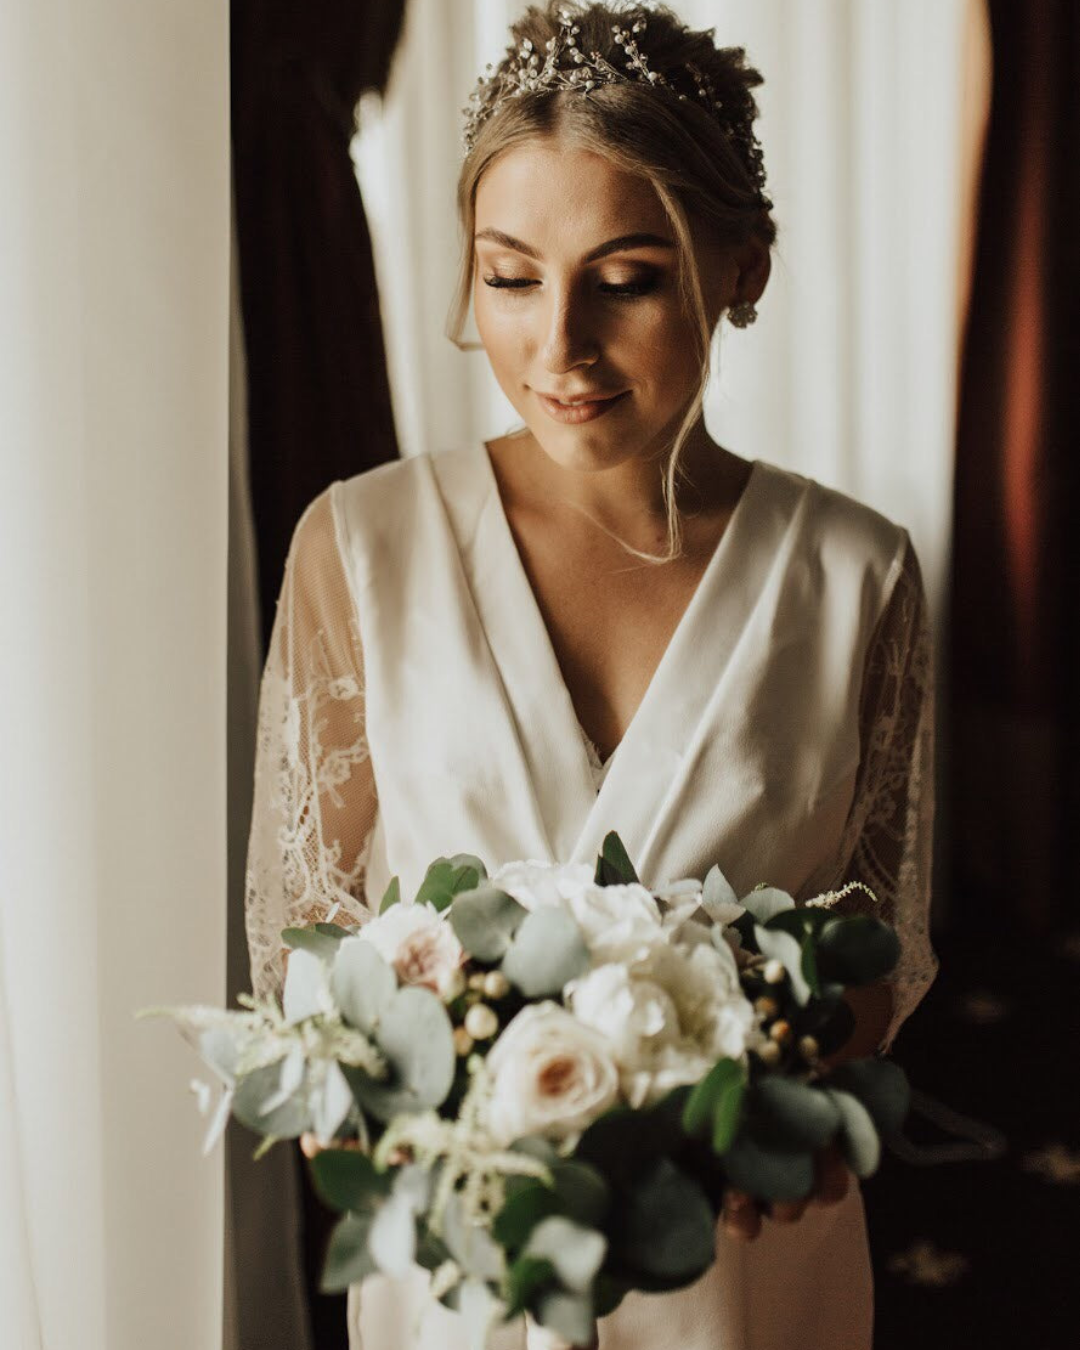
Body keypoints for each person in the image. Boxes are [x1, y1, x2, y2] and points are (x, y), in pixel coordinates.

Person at [243, 3, 938, 1347]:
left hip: (741, 1257)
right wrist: (421, 1130)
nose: (557, 346)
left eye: (624, 279)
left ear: (744, 267)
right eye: (510, 277)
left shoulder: (858, 575)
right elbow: (303, 951)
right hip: (466, 1267)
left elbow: (874, 950)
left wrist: (780, 1119)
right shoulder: (360, 547)